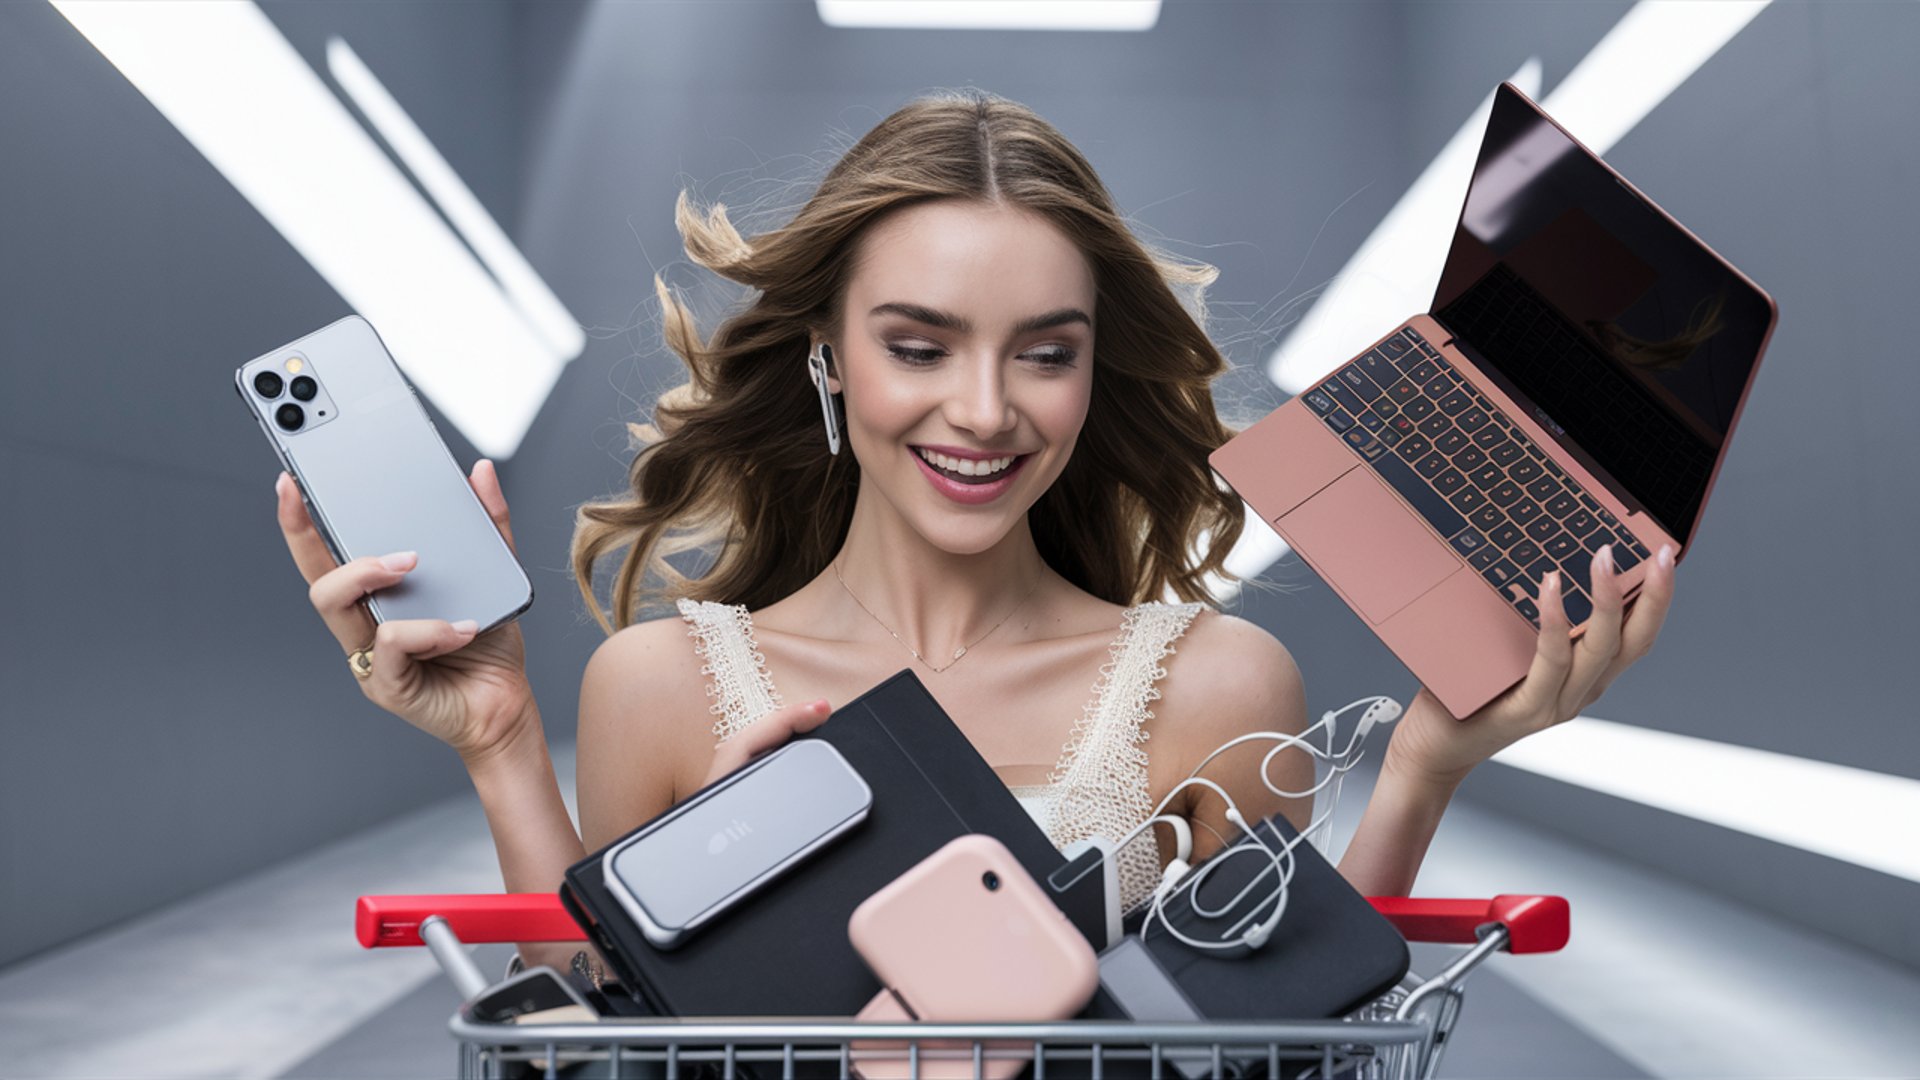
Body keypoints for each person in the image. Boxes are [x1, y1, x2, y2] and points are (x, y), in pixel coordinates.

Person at [273, 91, 1676, 976]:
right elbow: (586, 1045)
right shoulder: (658, 686)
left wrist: (1426, 767)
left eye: (1045, 354)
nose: (987, 410)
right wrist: (505, 746)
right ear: (830, 360)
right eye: (919, 344)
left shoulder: (1217, 690)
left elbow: (1285, 1042)